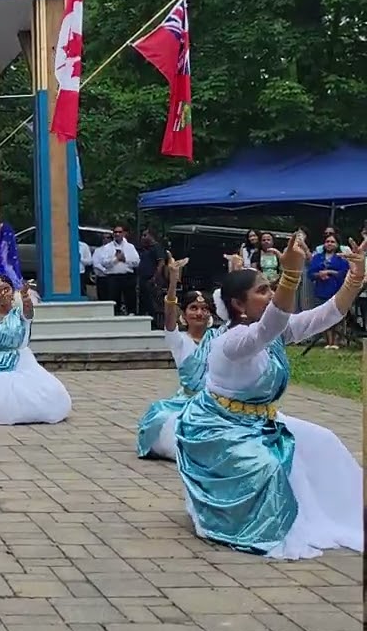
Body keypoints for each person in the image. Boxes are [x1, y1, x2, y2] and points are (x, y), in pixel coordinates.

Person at [176, 232, 364, 559]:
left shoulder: (274, 331)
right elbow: (268, 328)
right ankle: (242, 521)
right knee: (269, 467)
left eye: (271, 287)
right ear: (238, 304)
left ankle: (348, 516)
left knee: (325, 440)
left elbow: (325, 315)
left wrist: (355, 277)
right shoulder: (231, 342)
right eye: (262, 290)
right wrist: (292, 274)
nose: (272, 293)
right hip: (219, 429)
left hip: (262, 421)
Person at [136, 253, 215, 460]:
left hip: (217, 401)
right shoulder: (178, 340)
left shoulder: (218, 338)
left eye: (204, 309)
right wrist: (173, 281)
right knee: (166, 424)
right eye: (194, 308)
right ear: (184, 314)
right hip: (188, 401)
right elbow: (169, 314)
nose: (199, 313)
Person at [0, 277, 71, 425]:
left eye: (6, 289)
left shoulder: (20, 313)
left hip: (20, 360)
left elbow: (29, 313)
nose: (3, 294)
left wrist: (25, 296)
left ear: (13, 291)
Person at [307, 234, 350, 349]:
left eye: (332, 242)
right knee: (324, 316)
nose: (329, 244)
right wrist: (319, 274)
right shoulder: (317, 257)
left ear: (337, 244)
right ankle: (328, 342)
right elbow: (310, 273)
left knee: (336, 316)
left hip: (337, 290)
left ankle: (336, 341)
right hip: (322, 290)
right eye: (327, 241)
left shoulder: (341, 258)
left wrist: (330, 272)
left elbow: (344, 273)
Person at [92, 225, 139, 315]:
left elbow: (136, 262)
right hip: (113, 276)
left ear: (124, 233)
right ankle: (115, 315)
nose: (117, 234)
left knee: (130, 297)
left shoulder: (130, 247)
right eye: (115, 232)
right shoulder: (107, 247)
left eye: (119, 232)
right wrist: (116, 259)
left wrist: (125, 259)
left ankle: (131, 314)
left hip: (127, 276)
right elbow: (104, 263)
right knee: (113, 298)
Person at [137, 228, 166, 319]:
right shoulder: (144, 248)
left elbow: (161, 263)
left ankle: (154, 321)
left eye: (145, 235)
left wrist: (155, 277)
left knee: (151, 301)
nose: (143, 237)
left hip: (151, 278)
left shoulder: (157, 247)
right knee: (143, 300)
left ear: (151, 236)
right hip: (143, 278)